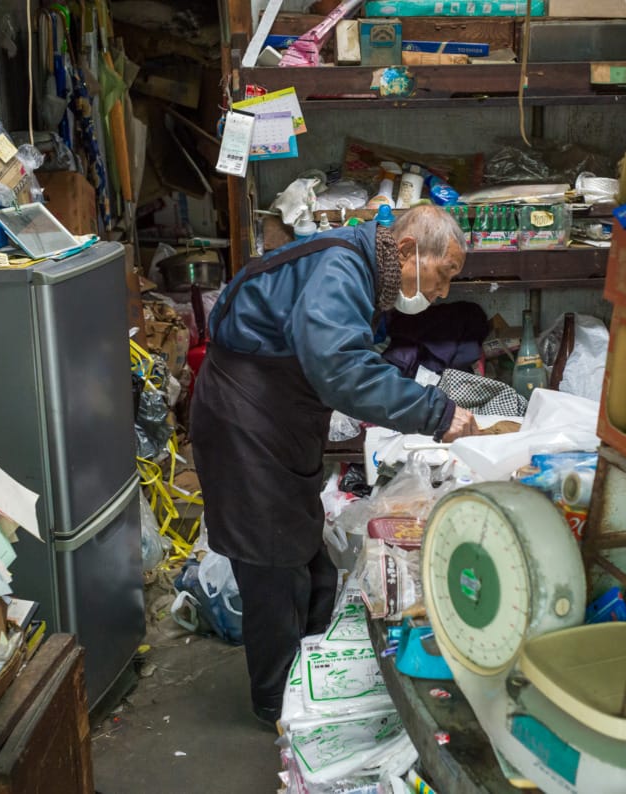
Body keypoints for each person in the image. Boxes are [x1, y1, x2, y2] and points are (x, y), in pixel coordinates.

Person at [190, 204, 479, 725]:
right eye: (443, 276)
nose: (442, 293)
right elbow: (341, 368)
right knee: (273, 567)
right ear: (410, 250)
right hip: (245, 418)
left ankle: (314, 682)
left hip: (276, 421)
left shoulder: (362, 268)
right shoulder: (342, 267)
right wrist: (435, 413)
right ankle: (279, 707)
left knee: (308, 564)